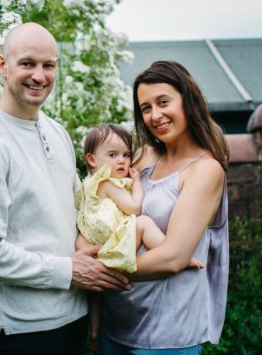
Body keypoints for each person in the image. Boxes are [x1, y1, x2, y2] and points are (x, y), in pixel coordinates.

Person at [0, 22, 130, 355]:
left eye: (48, 65)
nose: (39, 75)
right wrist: (68, 269)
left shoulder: (56, 131)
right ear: (2, 65)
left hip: (74, 317)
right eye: (27, 63)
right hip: (26, 331)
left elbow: (81, 211)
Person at [99, 60, 230, 354]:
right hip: (117, 321)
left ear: (188, 100)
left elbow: (173, 258)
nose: (155, 115)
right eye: (146, 108)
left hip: (166, 332)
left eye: (163, 102)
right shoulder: (143, 156)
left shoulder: (205, 171)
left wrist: (100, 269)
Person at [75, 123, 204, 350]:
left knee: (95, 291)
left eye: (126, 154)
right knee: (143, 223)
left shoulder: (87, 185)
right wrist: (136, 184)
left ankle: (94, 332)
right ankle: (176, 254)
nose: (123, 161)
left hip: (96, 245)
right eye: (113, 155)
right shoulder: (106, 182)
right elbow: (134, 208)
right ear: (92, 160)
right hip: (111, 242)